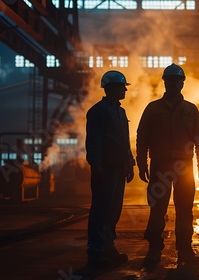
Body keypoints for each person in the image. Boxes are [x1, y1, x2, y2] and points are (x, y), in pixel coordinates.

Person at [136, 63, 199, 266]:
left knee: (185, 209)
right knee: (157, 209)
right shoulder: (153, 109)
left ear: (182, 82)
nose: (173, 83)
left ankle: (184, 250)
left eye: (176, 80)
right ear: (165, 82)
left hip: (184, 167)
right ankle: (154, 248)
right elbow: (142, 137)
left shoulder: (190, 110)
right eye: (170, 80)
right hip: (160, 166)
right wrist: (142, 163)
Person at [85, 70, 135, 268]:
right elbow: (94, 141)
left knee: (113, 209)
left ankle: (107, 246)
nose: (124, 90)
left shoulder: (120, 112)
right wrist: (96, 165)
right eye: (122, 87)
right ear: (111, 88)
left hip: (118, 168)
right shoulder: (99, 111)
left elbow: (124, 142)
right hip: (105, 169)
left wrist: (129, 163)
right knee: (101, 209)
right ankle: (96, 251)